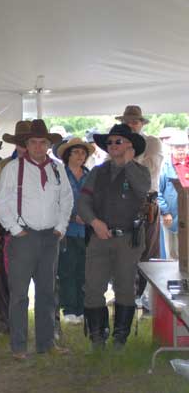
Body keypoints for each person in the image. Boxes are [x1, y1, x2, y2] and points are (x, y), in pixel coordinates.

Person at [0, 119, 73, 359]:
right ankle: (18, 346)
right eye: (33, 142)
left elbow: (67, 199)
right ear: (25, 144)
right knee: (19, 294)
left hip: (51, 237)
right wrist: (16, 230)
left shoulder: (58, 168)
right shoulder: (12, 168)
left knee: (48, 292)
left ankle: (46, 343)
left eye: (42, 142)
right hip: (23, 238)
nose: (38, 147)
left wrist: (60, 227)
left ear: (49, 144)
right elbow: (1, 204)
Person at [78, 123, 150, 350]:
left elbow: (142, 189)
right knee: (92, 288)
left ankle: (120, 338)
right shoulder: (98, 171)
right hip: (100, 237)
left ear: (130, 146)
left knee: (125, 288)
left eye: (117, 141)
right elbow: (83, 201)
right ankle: (97, 337)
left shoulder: (141, 171)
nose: (112, 145)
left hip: (128, 239)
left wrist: (128, 163)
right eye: (109, 142)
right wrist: (94, 221)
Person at [0, 121, 32, 334]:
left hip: (40, 232)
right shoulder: (3, 167)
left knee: (47, 280)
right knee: (4, 279)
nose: (26, 147)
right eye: (22, 143)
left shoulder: (49, 167)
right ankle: (3, 320)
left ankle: (51, 323)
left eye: (29, 142)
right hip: (8, 231)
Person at [116, 106, 163, 309]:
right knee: (123, 249)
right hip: (123, 202)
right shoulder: (119, 143)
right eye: (128, 121)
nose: (131, 124)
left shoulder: (152, 142)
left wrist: (129, 156)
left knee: (146, 251)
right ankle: (126, 293)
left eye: (135, 121)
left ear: (142, 123)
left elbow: (149, 169)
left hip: (146, 203)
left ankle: (143, 296)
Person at [53, 137, 95, 325]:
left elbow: (97, 200)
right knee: (67, 270)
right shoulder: (59, 175)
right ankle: (69, 309)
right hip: (66, 230)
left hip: (87, 231)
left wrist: (89, 216)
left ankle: (82, 308)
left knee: (84, 271)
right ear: (67, 155)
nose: (80, 156)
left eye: (83, 153)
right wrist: (71, 217)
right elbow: (54, 202)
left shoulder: (90, 176)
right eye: (76, 152)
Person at [158, 130, 188, 260]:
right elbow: (157, 192)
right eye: (177, 147)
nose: (181, 150)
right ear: (171, 148)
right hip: (170, 217)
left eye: (183, 146)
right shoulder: (164, 166)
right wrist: (165, 212)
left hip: (187, 216)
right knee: (171, 253)